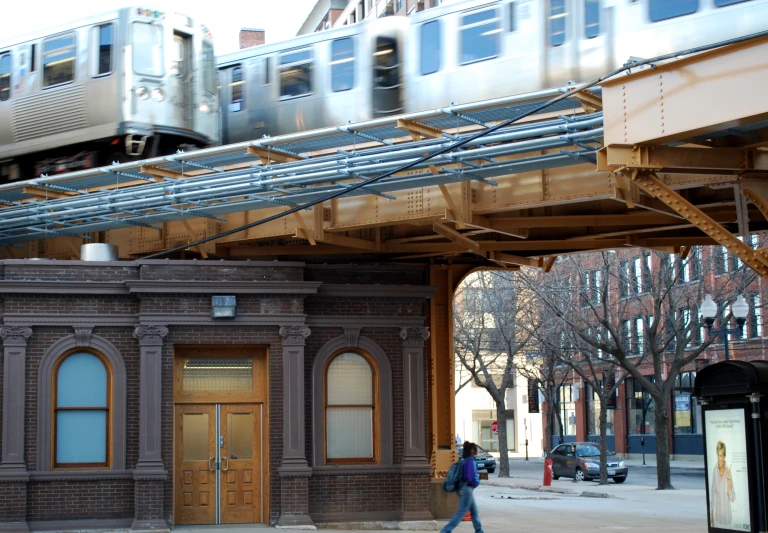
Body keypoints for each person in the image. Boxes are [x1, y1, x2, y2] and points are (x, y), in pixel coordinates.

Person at [441, 441, 484, 533]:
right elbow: (470, 478)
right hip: (467, 489)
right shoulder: (470, 461)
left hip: (462, 488)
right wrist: (477, 481)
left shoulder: (463, 461)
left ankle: (479, 530)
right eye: (475, 450)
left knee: (474, 511)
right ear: (472, 451)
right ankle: (445, 530)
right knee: (461, 512)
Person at [710, 440, 736, 527]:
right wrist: (712, 514)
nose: (719, 458)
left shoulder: (728, 472)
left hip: (728, 519)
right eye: (718, 455)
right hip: (717, 518)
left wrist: (729, 481)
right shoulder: (714, 471)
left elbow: (732, 498)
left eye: (720, 456)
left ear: (724, 456)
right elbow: (713, 494)